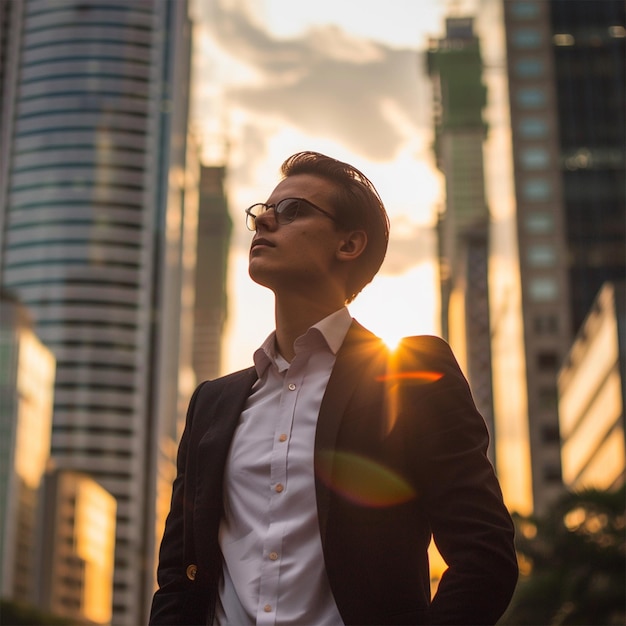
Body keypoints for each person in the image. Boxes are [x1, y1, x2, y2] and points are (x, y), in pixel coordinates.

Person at [149, 151, 518, 626]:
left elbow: (484, 558)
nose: (264, 220)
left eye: (293, 211)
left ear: (349, 244)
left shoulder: (410, 374)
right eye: (262, 211)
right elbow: (178, 578)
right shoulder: (212, 404)